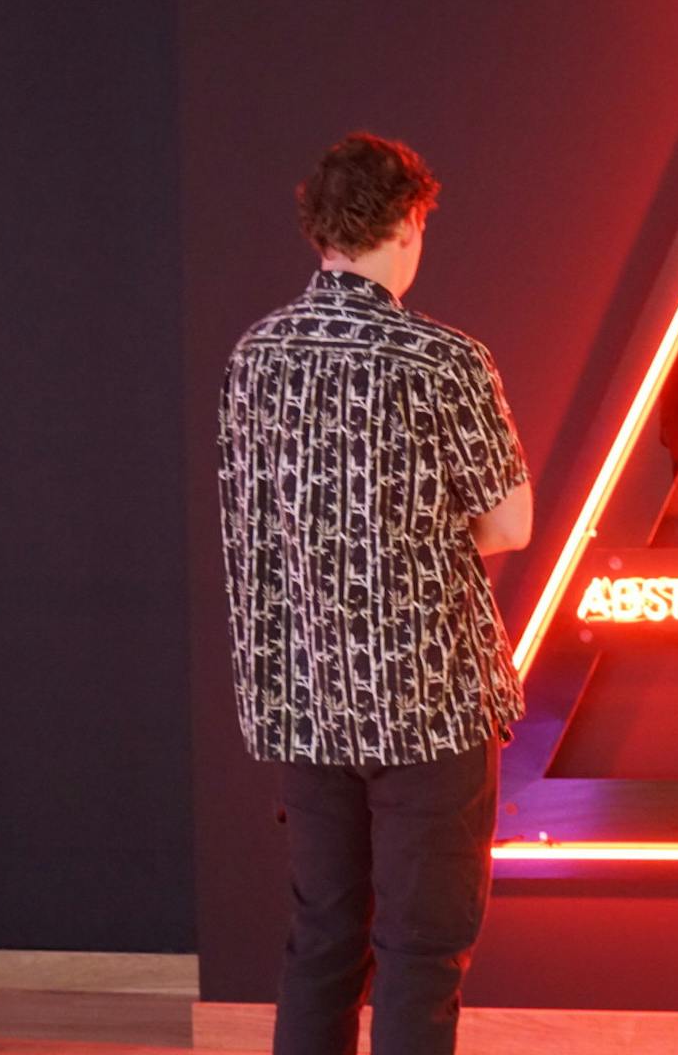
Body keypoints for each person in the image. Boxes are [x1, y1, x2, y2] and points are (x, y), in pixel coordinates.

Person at [216, 132, 532, 1055]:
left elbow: (254, 523)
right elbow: (508, 524)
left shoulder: (255, 355)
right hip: (429, 704)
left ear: (319, 231)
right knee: (422, 954)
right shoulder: (443, 360)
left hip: (307, 703)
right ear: (408, 223)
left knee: (322, 942)